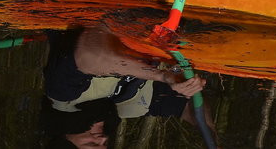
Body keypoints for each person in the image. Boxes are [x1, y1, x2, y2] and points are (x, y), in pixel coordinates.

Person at [41, 27, 213, 148]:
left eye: (91, 144)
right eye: (105, 145)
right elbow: (187, 107)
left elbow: (92, 52)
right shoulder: (131, 106)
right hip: (151, 25)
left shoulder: (61, 92)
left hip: (95, 0)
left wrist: (161, 76)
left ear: (65, 137)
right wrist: (211, 135)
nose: (103, 139)